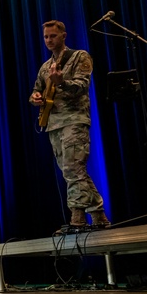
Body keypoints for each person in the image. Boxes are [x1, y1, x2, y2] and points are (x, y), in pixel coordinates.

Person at [29, 18, 110, 228]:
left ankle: (77, 216)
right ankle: (99, 214)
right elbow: (36, 89)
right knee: (72, 171)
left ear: (63, 36)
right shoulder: (46, 66)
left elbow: (82, 86)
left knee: (73, 167)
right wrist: (35, 97)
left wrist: (61, 83)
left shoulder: (79, 57)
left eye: (53, 36)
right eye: (46, 36)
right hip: (53, 123)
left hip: (74, 119)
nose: (48, 40)